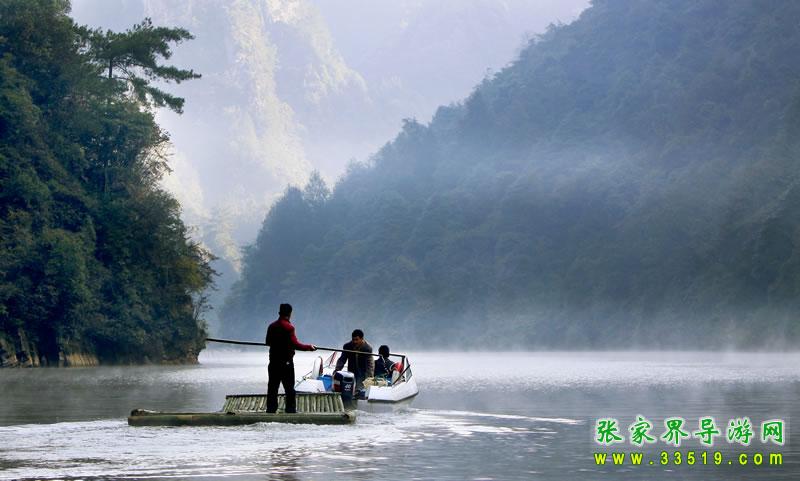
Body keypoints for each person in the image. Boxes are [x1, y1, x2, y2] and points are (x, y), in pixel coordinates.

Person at [265, 303, 316, 413]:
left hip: (273, 362)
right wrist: (309, 347)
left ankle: (270, 410)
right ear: (290, 314)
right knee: (289, 388)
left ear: (279, 312)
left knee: (272, 388)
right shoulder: (289, 327)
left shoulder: (271, 326)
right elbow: (295, 344)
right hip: (286, 363)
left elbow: (268, 342)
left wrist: (278, 344)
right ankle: (290, 410)